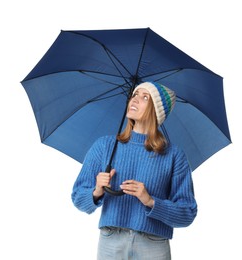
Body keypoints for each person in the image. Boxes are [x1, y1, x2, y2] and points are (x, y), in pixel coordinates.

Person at [71, 81, 197, 260]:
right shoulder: (105, 146)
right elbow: (78, 197)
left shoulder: (174, 155)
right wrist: (97, 191)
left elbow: (187, 213)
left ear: (157, 111)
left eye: (145, 97)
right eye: (134, 95)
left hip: (153, 244)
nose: (135, 100)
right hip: (111, 241)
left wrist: (150, 201)